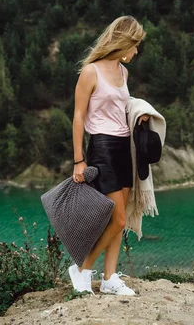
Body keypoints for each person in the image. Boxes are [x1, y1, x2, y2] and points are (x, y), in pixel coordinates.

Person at [69, 15, 148, 296]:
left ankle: (109, 278)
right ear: (125, 42)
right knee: (118, 220)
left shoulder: (123, 73)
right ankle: (81, 269)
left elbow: (121, 110)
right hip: (101, 147)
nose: (137, 51)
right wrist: (79, 159)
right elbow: (78, 117)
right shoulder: (91, 72)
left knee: (120, 216)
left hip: (125, 147)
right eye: (135, 45)